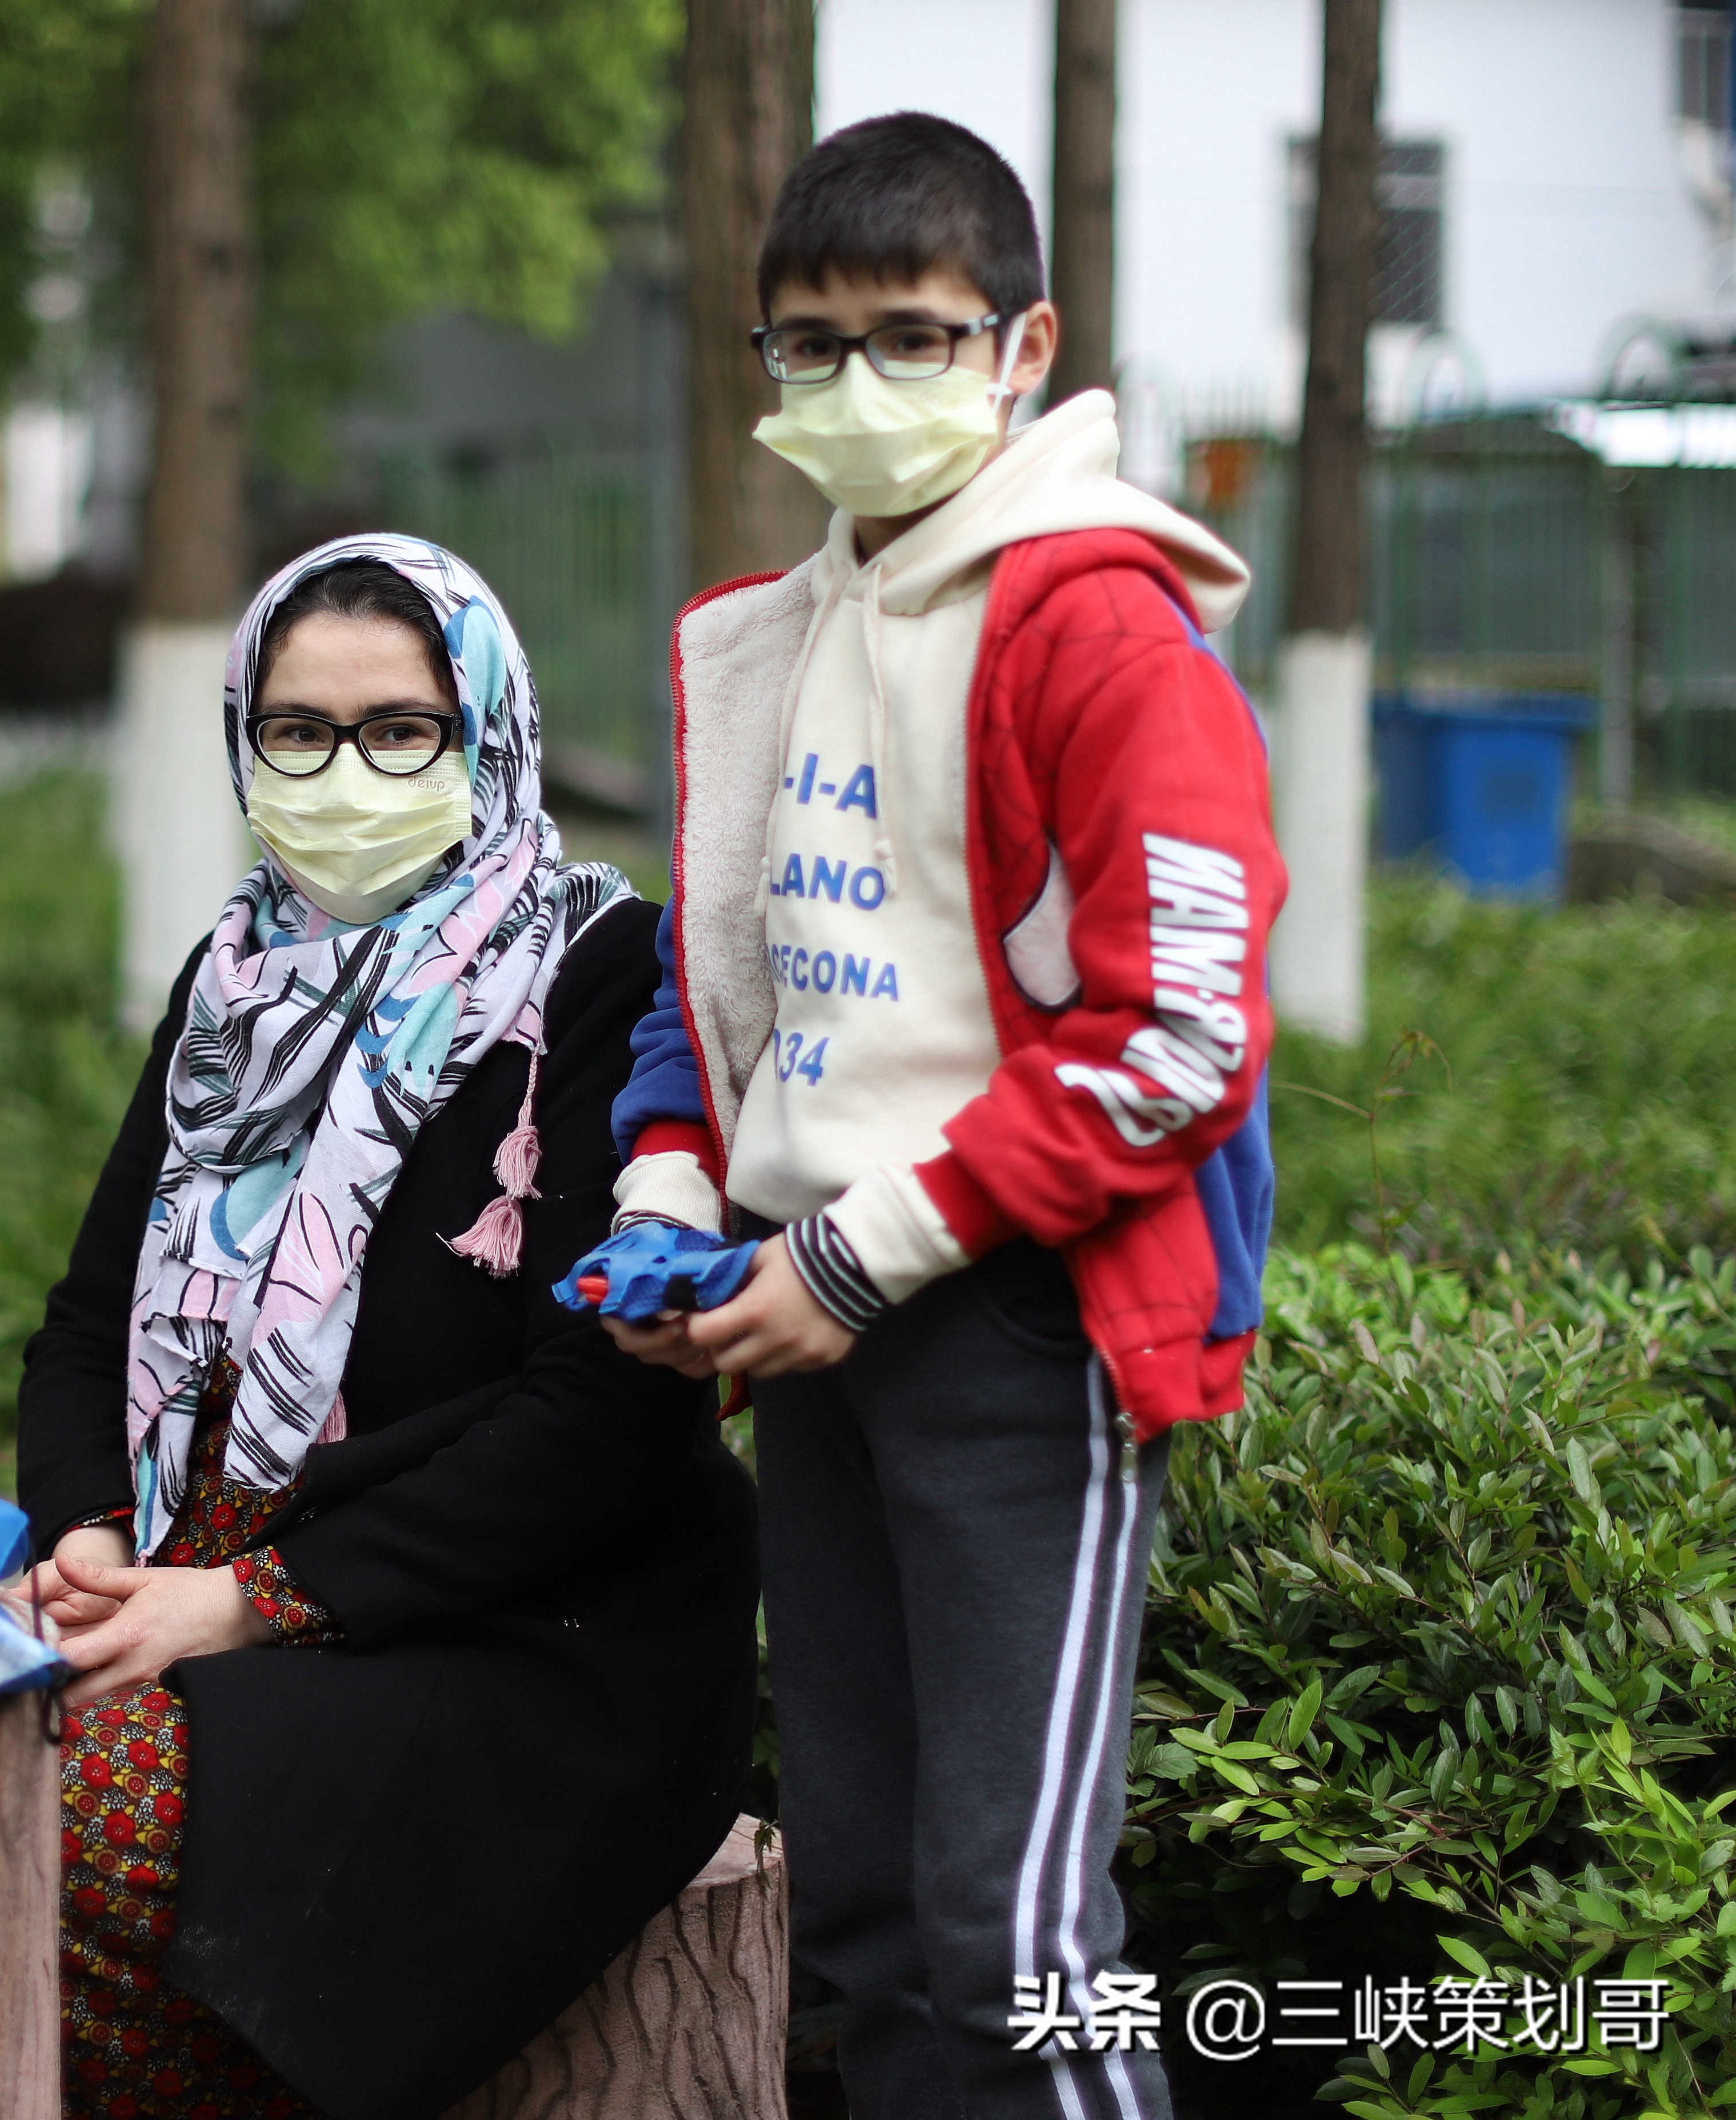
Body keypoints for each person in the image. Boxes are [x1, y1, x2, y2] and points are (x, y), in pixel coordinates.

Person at [567, 114, 1282, 2120]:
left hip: (1008, 1314)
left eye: (909, 335)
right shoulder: (773, 627)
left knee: (1011, 1940)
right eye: (808, 344)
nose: (854, 387)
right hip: (805, 1325)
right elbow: (733, 978)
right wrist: (667, 1186)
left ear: (1021, 346)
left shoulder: (1096, 625)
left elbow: (1180, 1036)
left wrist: (855, 1256)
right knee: (866, 1916)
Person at [16, 536, 761, 2120]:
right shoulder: (234, 981)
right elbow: (89, 1321)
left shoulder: (605, 979)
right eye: (296, 730)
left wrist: (242, 1602)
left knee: (78, 1828)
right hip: (191, 1557)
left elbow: (606, 1414)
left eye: (398, 729)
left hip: (515, 1619)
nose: (342, 773)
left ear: (485, 732)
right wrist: (91, 1535)